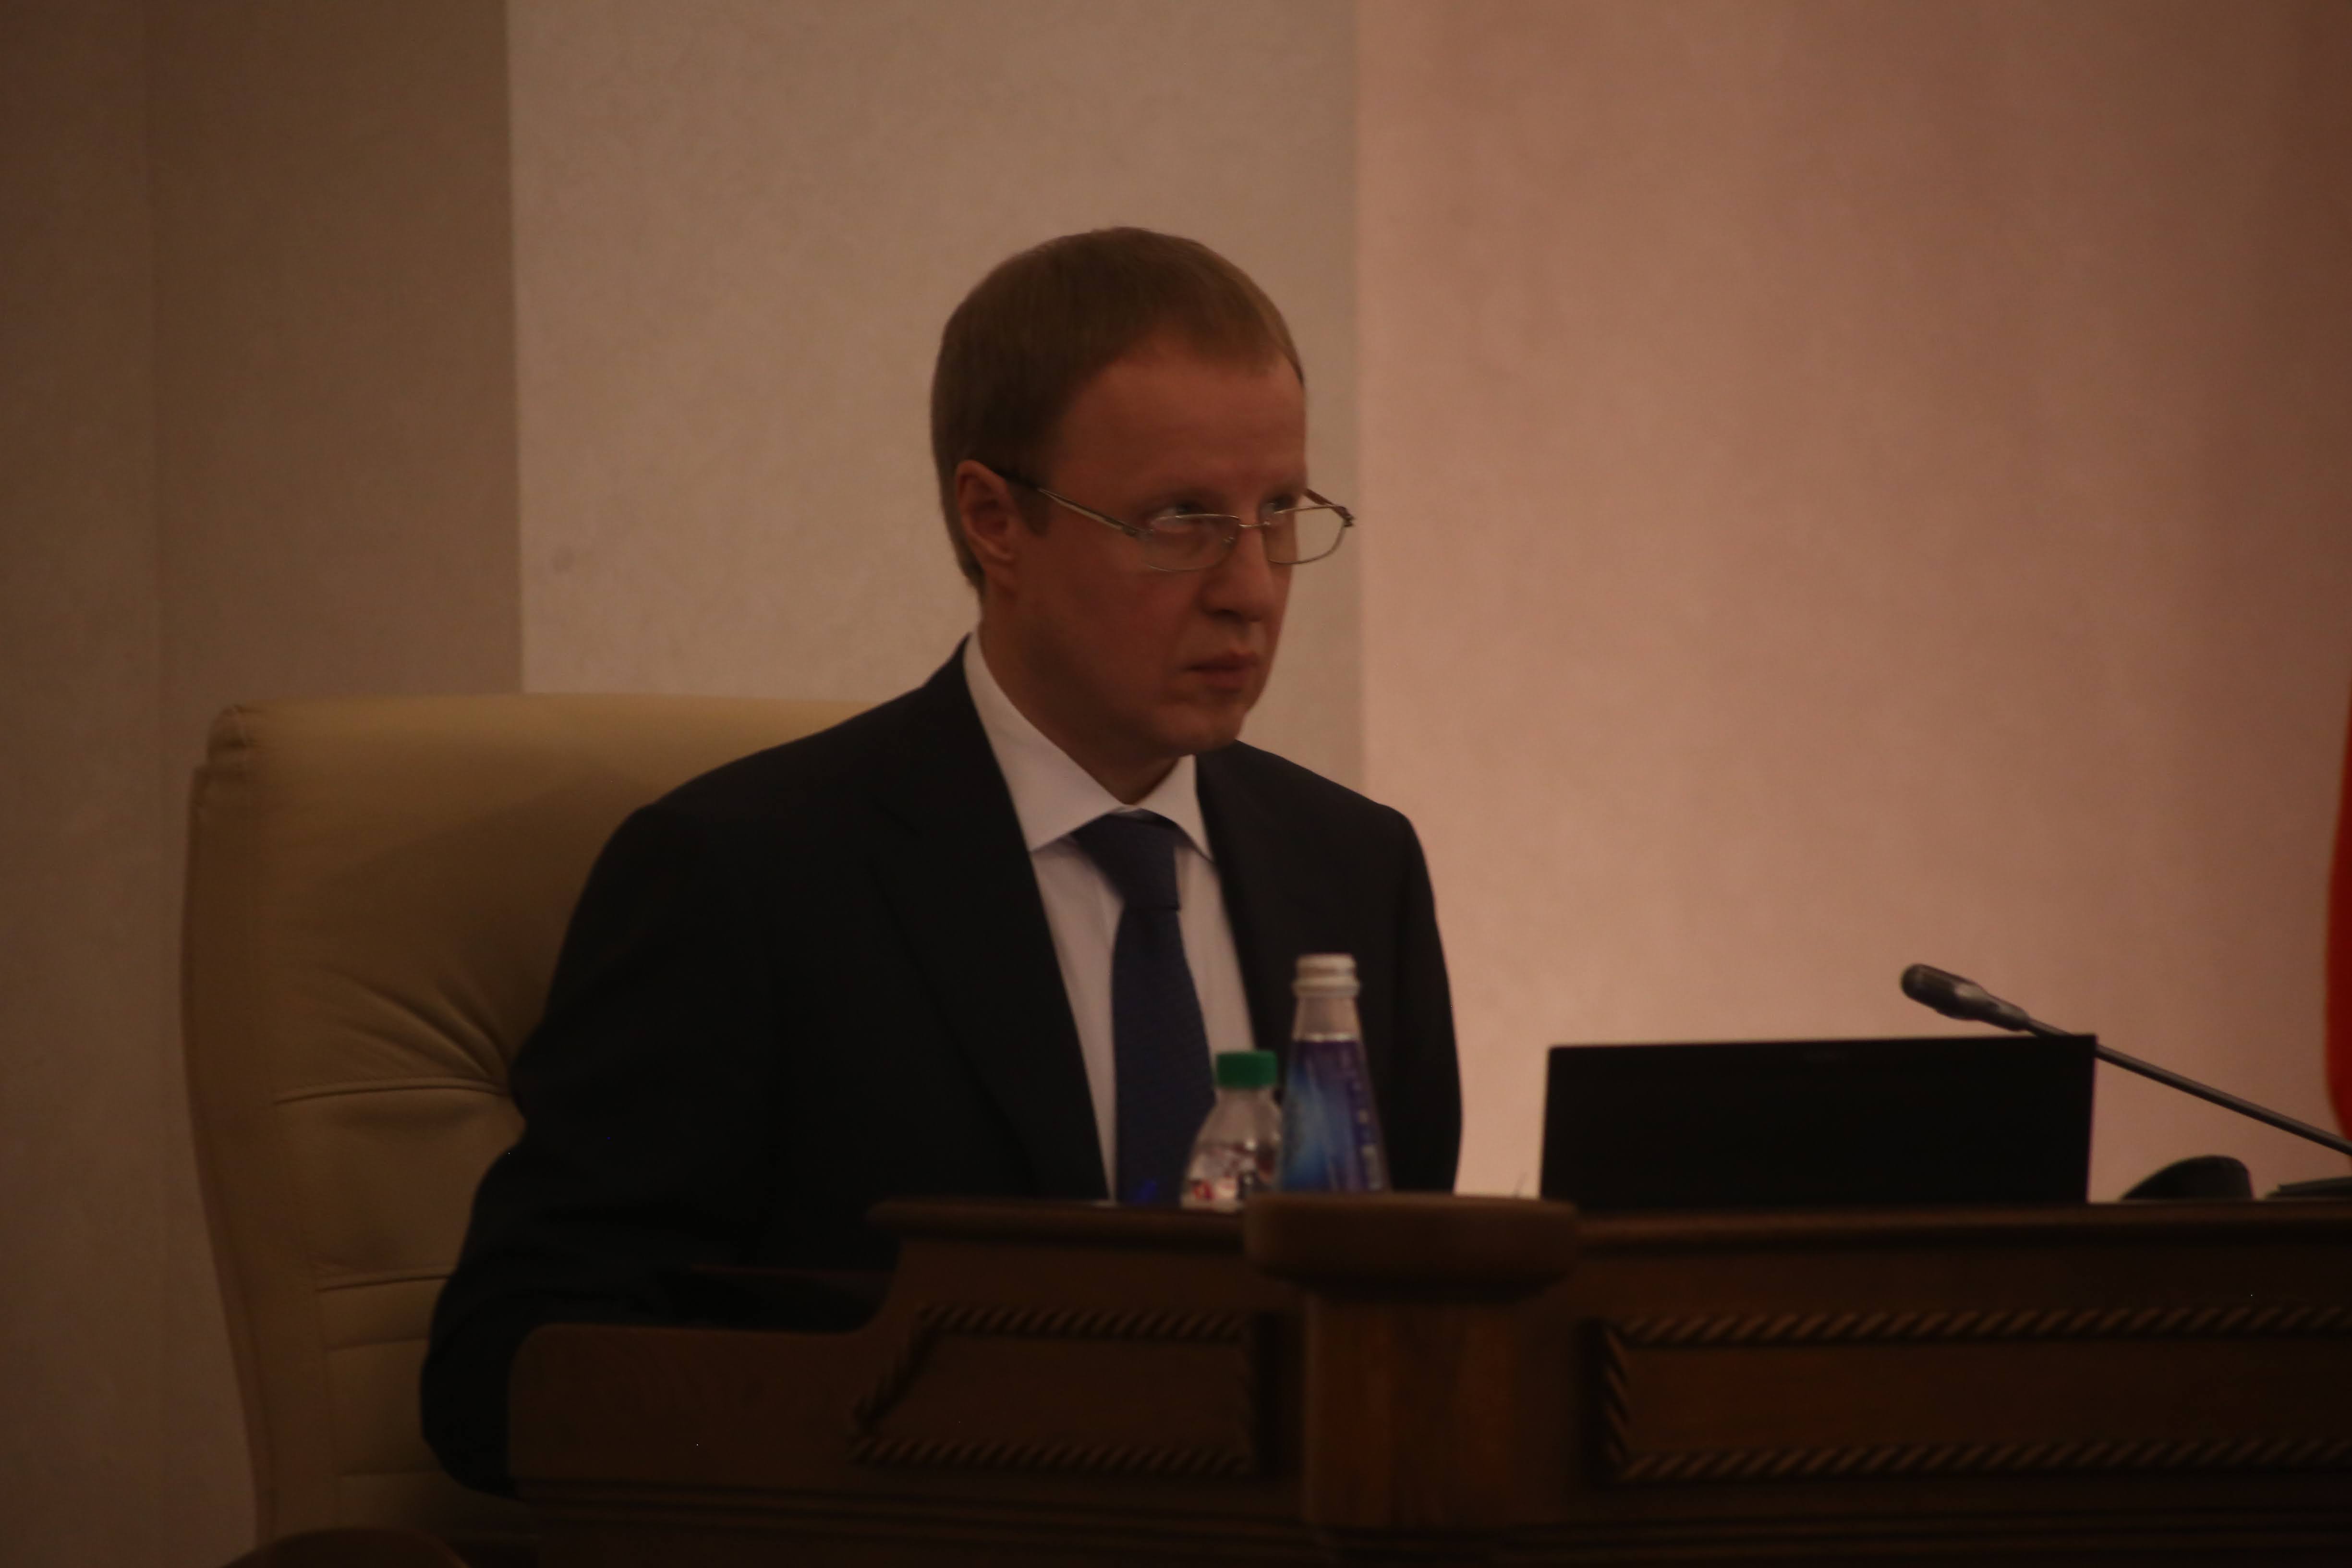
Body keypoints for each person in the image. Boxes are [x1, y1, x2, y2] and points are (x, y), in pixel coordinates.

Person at [421, 228, 1461, 1495]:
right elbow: (506, 1374)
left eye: (1281, 513)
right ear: (994, 519)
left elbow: (1405, 1326)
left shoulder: (1354, 869)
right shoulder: (746, 878)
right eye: (1181, 519)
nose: (1252, 587)